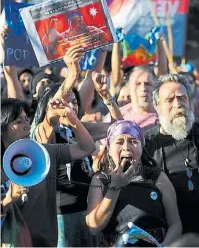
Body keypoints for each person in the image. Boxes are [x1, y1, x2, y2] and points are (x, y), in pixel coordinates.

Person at [1, 98, 95, 247]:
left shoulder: (44, 152)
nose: (27, 125)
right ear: (2, 128)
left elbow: (87, 148)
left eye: (27, 119)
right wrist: (8, 200)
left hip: (46, 243)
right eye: (18, 122)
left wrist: (72, 119)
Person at [143, 74, 199, 244]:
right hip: (171, 237)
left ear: (190, 102)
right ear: (157, 106)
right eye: (170, 99)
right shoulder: (148, 144)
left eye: (182, 98)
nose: (177, 104)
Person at [86, 120, 182, 247]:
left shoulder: (156, 177)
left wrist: (165, 245)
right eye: (119, 142)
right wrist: (115, 187)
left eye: (133, 141)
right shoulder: (100, 179)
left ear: (142, 147)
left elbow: (175, 224)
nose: (126, 147)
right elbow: (94, 227)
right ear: (108, 148)